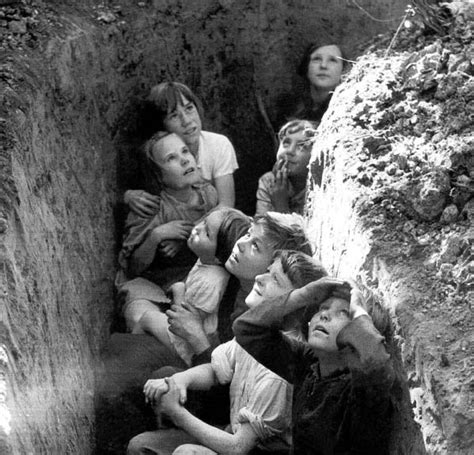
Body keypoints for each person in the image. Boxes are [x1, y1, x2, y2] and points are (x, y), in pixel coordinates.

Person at [127, 250, 328, 455]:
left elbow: (239, 447)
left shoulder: (277, 374)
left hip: (247, 448)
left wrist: (177, 414)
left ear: (294, 305)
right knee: (140, 442)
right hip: (230, 432)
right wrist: (181, 380)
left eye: (275, 279)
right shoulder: (256, 335)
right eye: (268, 270)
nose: (259, 277)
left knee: (186, 453)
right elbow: (216, 370)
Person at [233, 277, 396, 455]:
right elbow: (246, 329)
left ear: (358, 332)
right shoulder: (308, 363)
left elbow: (377, 366)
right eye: (323, 308)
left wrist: (360, 312)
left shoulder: (360, 391)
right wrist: (303, 295)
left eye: (344, 313)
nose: (324, 315)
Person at [117, 131, 218, 333]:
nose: (184, 160)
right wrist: (156, 236)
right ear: (158, 175)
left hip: (191, 279)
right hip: (152, 283)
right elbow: (133, 269)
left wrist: (187, 237)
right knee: (138, 312)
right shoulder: (152, 208)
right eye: (171, 158)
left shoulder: (207, 193)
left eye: (185, 152)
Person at [134, 208, 251, 366]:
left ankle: (135, 354)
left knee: (148, 318)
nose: (197, 229)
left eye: (207, 234)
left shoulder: (209, 282)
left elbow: (185, 320)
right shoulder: (206, 259)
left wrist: (179, 290)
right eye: (204, 222)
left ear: (218, 258)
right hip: (187, 326)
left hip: (187, 344)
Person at [125, 82, 239, 217]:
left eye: (189, 108)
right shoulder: (155, 154)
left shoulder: (218, 145)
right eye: (174, 116)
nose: (187, 121)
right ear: (161, 126)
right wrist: (128, 196)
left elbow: (226, 204)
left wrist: (192, 229)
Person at [255, 119, 316, 216]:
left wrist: (281, 205)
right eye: (286, 143)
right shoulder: (269, 181)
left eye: (301, 146)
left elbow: (302, 231)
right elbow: (260, 226)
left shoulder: (317, 188)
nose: (290, 151)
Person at [289, 43, 347, 126]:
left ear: (343, 69)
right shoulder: (290, 106)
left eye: (332, 60)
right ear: (306, 66)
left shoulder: (345, 109)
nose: (323, 65)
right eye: (317, 59)